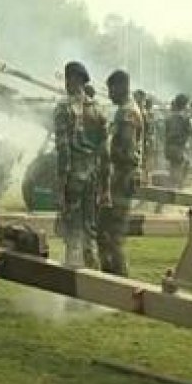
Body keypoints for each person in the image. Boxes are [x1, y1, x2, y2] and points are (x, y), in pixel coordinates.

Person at [54, 61, 108, 268]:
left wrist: (59, 188)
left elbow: (63, 151)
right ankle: (92, 278)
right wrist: (105, 188)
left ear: (74, 80)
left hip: (73, 179)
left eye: (67, 78)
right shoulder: (98, 110)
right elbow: (105, 153)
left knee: (72, 233)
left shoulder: (64, 108)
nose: (66, 83)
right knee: (89, 231)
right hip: (92, 179)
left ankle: (73, 284)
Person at [97, 70, 143, 276]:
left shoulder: (126, 113)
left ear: (121, 87)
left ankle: (118, 281)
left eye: (111, 89)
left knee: (113, 232)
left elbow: (122, 150)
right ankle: (111, 277)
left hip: (121, 179)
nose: (109, 94)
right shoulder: (127, 111)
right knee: (107, 231)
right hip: (120, 178)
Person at [164, 94, 192, 188]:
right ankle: (179, 186)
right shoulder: (187, 118)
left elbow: (165, 132)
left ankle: (172, 185)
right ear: (185, 105)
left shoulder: (169, 117)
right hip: (180, 148)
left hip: (169, 147)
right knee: (186, 164)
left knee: (173, 167)